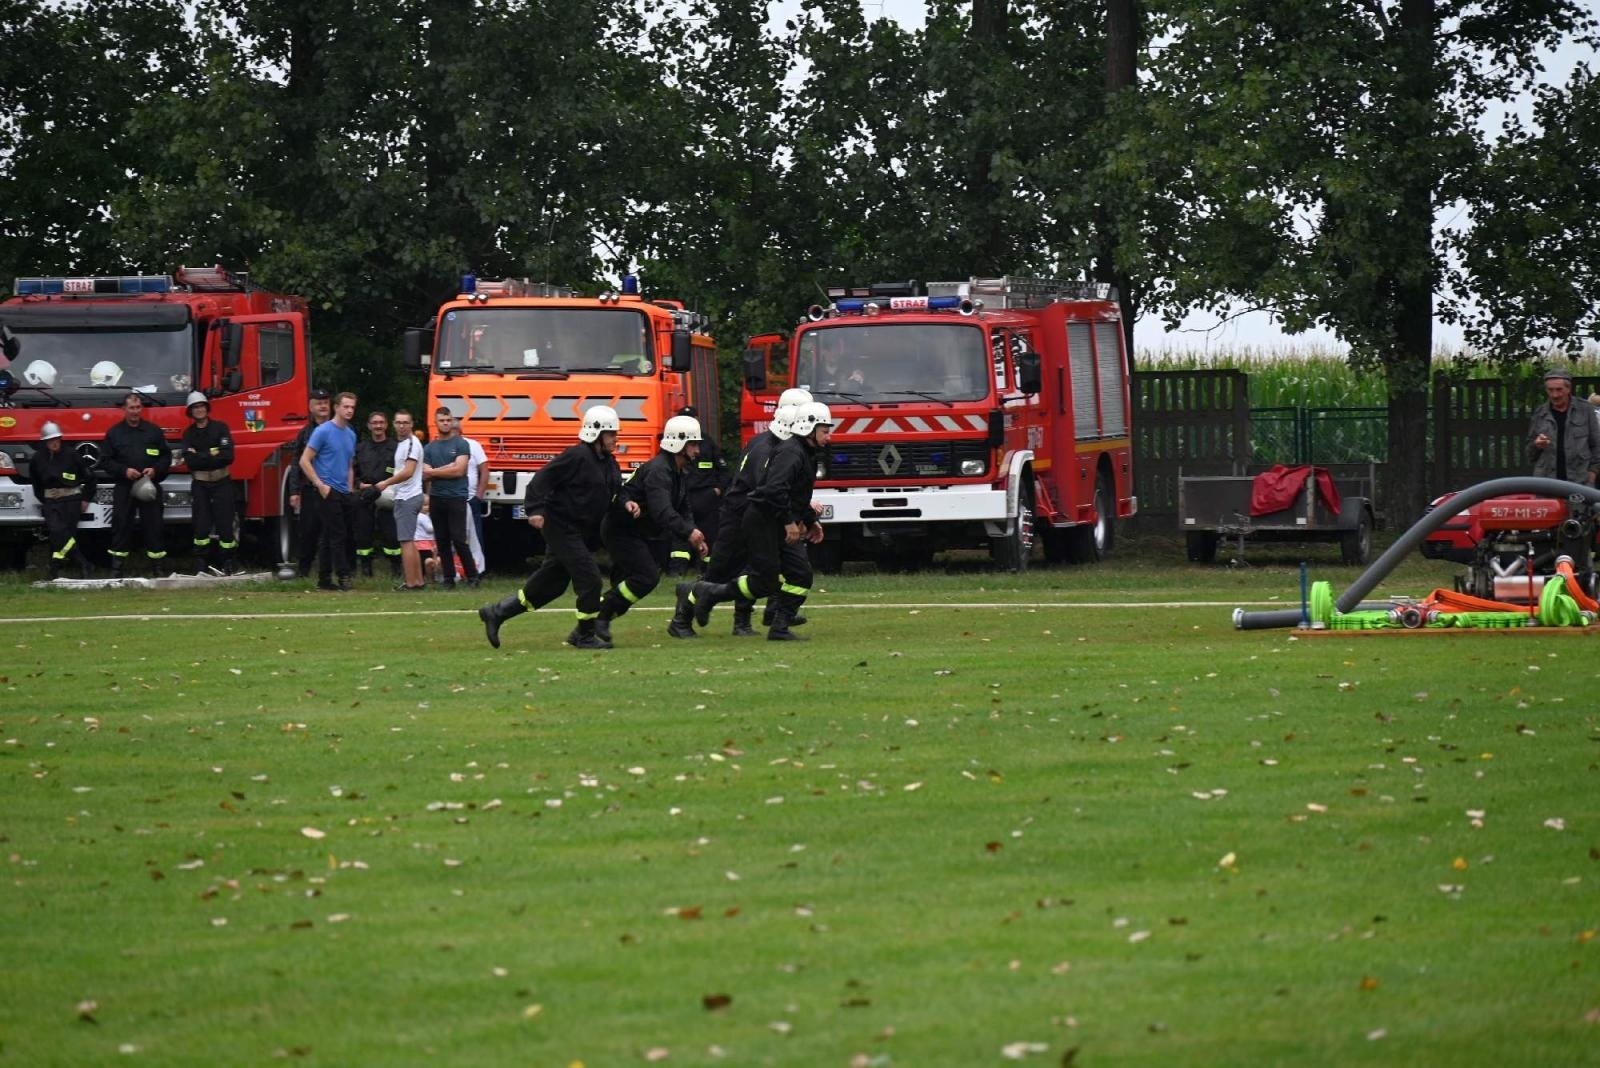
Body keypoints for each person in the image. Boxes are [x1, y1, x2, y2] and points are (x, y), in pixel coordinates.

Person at [477, 406, 625, 650]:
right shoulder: (576, 456)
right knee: (591, 580)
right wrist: (534, 509)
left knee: (551, 587)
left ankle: (497, 612)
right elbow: (541, 480)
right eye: (611, 434)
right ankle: (584, 635)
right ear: (596, 434)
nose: (615, 438)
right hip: (561, 528)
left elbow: (611, 494)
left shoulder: (610, 464)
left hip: (580, 533)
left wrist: (626, 505)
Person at [671, 387, 811, 638]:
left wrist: (805, 515)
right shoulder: (769, 448)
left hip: (766, 517)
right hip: (741, 516)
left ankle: (766, 615)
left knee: (780, 568)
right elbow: (769, 488)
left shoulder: (779, 445)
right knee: (720, 573)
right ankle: (683, 615)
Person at [594, 415, 707, 644]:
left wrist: (693, 531)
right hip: (621, 529)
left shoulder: (677, 471)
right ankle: (599, 618)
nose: (697, 450)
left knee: (639, 580)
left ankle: (594, 621)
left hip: (640, 532)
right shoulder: (660, 471)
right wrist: (688, 532)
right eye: (693, 444)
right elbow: (662, 511)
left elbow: (683, 508)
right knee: (646, 577)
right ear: (678, 443)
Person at [99, 391, 171, 577]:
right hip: (125, 487)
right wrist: (124, 471)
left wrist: (155, 470)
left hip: (149, 486)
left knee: (154, 526)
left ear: (142, 409)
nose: (135, 412)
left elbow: (166, 457)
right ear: (124, 409)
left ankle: (158, 568)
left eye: (138, 407)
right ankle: (117, 569)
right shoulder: (114, 433)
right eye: (131, 408)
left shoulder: (154, 431)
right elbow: (105, 461)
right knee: (121, 525)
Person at [299, 391, 359, 591]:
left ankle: (324, 580)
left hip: (343, 491)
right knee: (338, 534)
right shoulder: (323, 431)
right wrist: (320, 484)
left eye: (352, 407)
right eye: (346, 406)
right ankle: (343, 576)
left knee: (328, 536)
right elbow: (304, 460)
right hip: (326, 490)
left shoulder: (351, 434)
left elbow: (349, 464)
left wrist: (350, 489)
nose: (349, 410)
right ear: (337, 407)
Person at [420, 407, 480, 589]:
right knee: (442, 540)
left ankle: (473, 577)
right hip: (437, 497)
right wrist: (447, 469)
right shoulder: (429, 448)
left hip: (457, 498)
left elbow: (459, 470)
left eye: (448, 420)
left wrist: (436, 471)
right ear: (435, 422)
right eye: (441, 420)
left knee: (459, 539)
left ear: (451, 421)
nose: (445, 423)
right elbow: (425, 475)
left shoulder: (461, 444)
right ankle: (448, 578)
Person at [180, 391, 238, 575]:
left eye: (201, 406)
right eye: (195, 407)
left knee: (225, 524)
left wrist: (200, 455)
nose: (199, 410)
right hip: (200, 484)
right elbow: (190, 462)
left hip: (222, 481)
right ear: (190, 411)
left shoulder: (220, 428)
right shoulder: (188, 434)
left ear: (207, 408)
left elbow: (228, 456)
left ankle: (228, 563)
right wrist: (212, 453)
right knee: (201, 525)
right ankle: (200, 564)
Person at [667, 404, 727, 576]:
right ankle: (677, 571)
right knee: (681, 533)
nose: (696, 450)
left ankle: (708, 571)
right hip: (684, 495)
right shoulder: (672, 445)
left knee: (710, 534)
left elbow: (723, 470)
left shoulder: (707, 443)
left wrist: (717, 490)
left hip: (706, 496)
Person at [32, 421, 94, 579]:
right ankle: (83, 562)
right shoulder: (37, 458)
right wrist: (46, 499)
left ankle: (54, 570)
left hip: (72, 500)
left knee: (62, 537)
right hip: (51, 502)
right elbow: (36, 484)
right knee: (57, 531)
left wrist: (86, 498)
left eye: (57, 439)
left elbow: (90, 478)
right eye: (51, 440)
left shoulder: (72, 455)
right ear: (45, 441)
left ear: (60, 438)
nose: (54, 442)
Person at [1527, 368, 1600, 486]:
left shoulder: (1585, 409)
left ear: (1568, 389)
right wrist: (1537, 445)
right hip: (1546, 483)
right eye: (1550, 390)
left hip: (1580, 482)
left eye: (1559, 390)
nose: (1555, 395)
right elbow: (1529, 454)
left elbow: (1597, 445)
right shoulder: (1540, 413)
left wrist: (1592, 474)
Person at [287, 388, 332, 576]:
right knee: (308, 532)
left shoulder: (340, 429)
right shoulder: (305, 433)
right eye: (318, 403)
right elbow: (297, 463)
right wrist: (294, 491)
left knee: (332, 533)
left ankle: (332, 573)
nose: (322, 406)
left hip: (333, 490)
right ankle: (303, 572)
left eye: (325, 402)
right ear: (310, 407)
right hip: (311, 490)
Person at [379, 410, 426, 591]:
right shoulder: (402, 444)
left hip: (408, 497)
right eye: (398, 422)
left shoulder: (412, 444)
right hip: (404, 495)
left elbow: (408, 471)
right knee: (410, 541)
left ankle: (411, 583)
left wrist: (386, 483)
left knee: (405, 541)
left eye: (405, 422)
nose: (402, 426)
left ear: (412, 424)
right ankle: (418, 581)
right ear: (393, 424)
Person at [353, 411, 401, 577]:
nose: (378, 426)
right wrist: (359, 484)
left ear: (386, 425)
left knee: (392, 536)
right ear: (369, 426)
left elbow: (401, 472)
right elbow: (354, 472)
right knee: (363, 535)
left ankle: (396, 569)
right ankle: (366, 570)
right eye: (374, 423)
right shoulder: (361, 448)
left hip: (387, 497)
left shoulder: (396, 448)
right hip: (365, 497)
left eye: (381, 422)